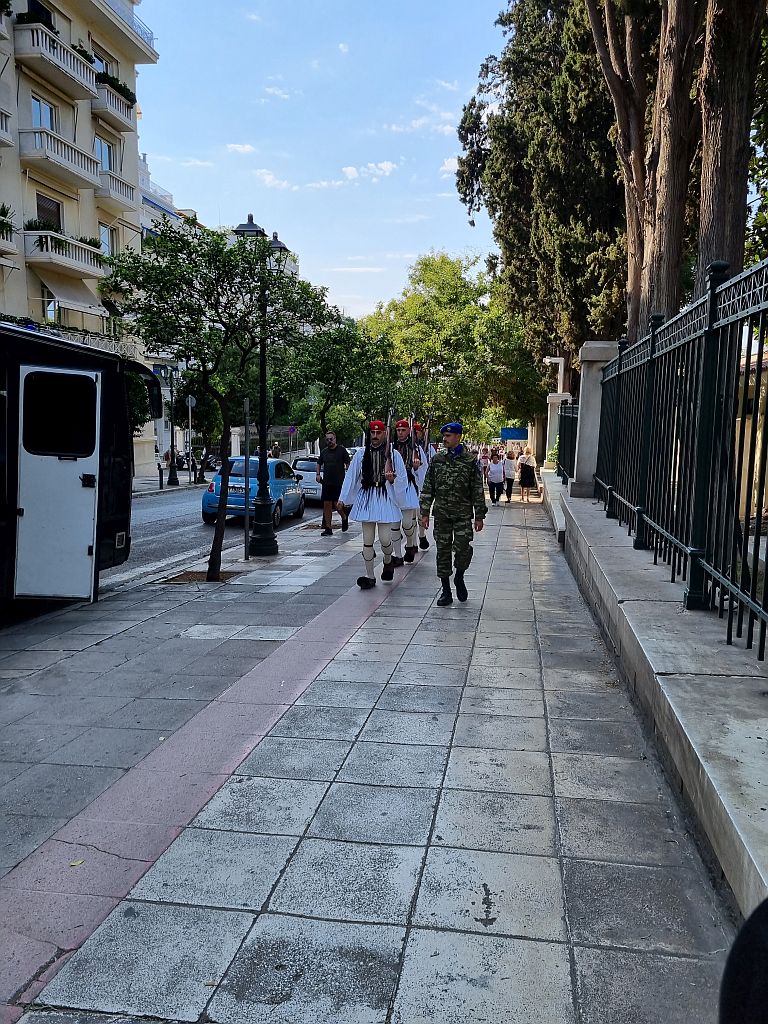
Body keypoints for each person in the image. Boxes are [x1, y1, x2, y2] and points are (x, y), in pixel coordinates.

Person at [419, 421, 487, 606]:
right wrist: (424, 512)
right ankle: (446, 591)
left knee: (463, 548)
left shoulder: (470, 461)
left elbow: (477, 489)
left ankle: (459, 576)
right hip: (442, 514)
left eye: (448, 436)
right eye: (444, 436)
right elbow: (428, 487)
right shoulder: (437, 460)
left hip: (463, 514)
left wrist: (479, 515)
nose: (444, 439)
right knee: (442, 551)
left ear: (458, 437)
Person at [338, 421, 407, 589]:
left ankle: (388, 561)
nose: (375, 436)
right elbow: (351, 476)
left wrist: (393, 479)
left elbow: (403, 478)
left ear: (384, 434)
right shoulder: (361, 454)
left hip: (385, 496)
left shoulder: (393, 455)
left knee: (385, 539)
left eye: (378, 433)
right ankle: (370, 576)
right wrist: (343, 498)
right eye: (372, 433)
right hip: (367, 496)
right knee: (367, 541)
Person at [391, 419, 426, 564]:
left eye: (403, 430)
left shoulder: (416, 448)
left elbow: (423, 470)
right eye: (398, 430)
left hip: (408, 487)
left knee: (407, 523)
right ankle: (398, 555)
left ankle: (410, 544)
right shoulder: (391, 448)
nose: (400, 433)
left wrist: (416, 469)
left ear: (408, 431)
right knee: (394, 524)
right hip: (393, 488)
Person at [316, 431, 350, 536]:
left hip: (339, 482)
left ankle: (344, 517)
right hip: (327, 482)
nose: (329, 441)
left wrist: (349, 475)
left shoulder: (342, 450)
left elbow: (348, 463)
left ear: (335, 439)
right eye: (327, 439)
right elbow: (319, 463)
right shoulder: (324, 452)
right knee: (327, 505)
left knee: (337, 505)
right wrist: (318, 474)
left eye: (331, 439)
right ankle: (328, 528)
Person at [414, 422, 432, 549]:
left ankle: (421, 535)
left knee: (421, 515)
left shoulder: (428, 448)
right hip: (409, 486)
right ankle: (412, 543)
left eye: (417, 432)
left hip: (422, 486)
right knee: (409, 519)